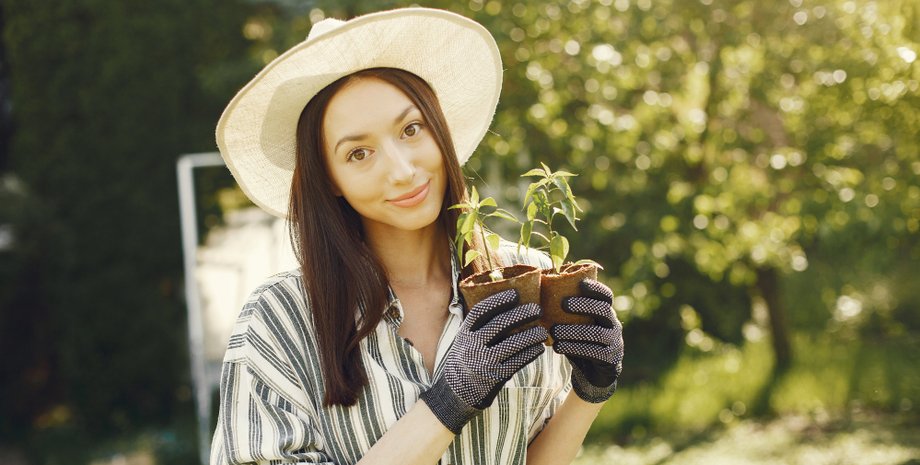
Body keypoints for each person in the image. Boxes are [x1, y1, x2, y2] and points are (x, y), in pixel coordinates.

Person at [209, 7, 623, 465]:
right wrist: (449, 402)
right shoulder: (280, 320)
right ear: (328, 179)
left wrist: (590, 393)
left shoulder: (526, 282)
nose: (403, 171)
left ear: (438, 128)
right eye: (359, 153)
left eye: (411, 129)